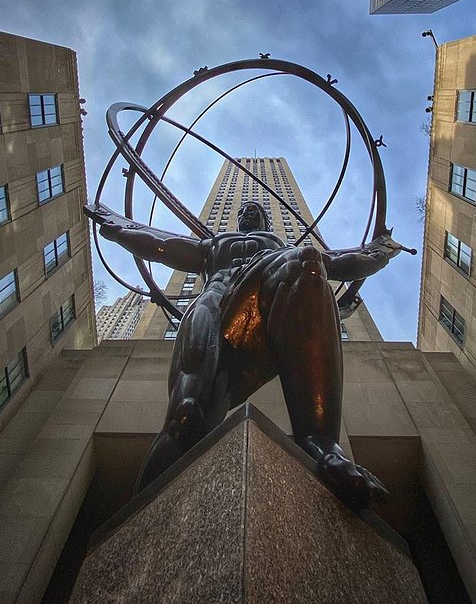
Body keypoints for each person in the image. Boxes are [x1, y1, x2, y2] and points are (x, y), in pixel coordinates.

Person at [86, 199, 403, 507]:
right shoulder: (212, 246)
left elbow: (340, 263)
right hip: (213, 307)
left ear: (266, 221)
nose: (249, 212)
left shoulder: (278, 249)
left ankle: (322, 445)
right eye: (244, 210)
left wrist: (381, 252)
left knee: (308, 260)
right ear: (237, 220)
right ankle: (141, 523)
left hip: (262, 298)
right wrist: (116, 229)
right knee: (187, 416)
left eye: (255, 210)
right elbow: (161, 245)